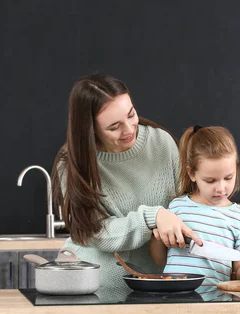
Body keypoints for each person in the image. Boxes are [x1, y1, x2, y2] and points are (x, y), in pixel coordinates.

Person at [52, 73, 201, 295]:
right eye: (114, 127)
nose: (130, 129)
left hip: (157, 286)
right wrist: (153, 217)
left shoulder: (161, 143)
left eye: (131, 114)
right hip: (93, 289)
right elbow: (95, 232)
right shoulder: (73, 163)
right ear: (90, 128)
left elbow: (189, 205)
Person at [149, 125, 240, 284]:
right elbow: (159, 260)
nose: (221, 188)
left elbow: (239, 271)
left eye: (228, 178)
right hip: (174, 301)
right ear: (192, 173)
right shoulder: (176, 208)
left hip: (217, 303)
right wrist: (157, 238)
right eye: (210, 180)